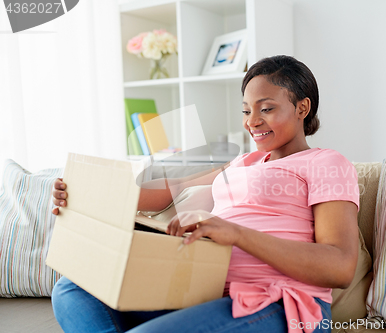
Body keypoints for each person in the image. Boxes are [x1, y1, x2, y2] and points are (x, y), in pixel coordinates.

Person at [50, 55, 360, 333]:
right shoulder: (242, 162)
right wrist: (82, 194)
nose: (252, 121)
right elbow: (174, 189)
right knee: (71, 290)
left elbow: (340, 266)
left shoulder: (327, 163)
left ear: (302, 108)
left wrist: (236, 234)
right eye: (246, 110)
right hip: (204, 290)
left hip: (280, 303)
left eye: (266, 108)